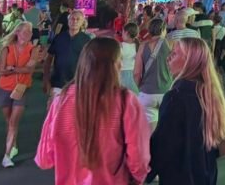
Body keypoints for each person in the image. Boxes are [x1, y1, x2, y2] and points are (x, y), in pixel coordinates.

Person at [35, 37, 151, 184]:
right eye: (119, 59)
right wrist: (138, 177)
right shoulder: (126, 101)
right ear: (113, 65)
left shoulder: (61, 100)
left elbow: (44, 158)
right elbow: (138, 155)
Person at [149, 37, 225, 184]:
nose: (169, 57)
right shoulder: (209, 96)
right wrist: (205, 156)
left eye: (176, 53)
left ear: (189, 62)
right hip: (205, 176)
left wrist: (139, 174)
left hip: (179, 178)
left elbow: (162, 146)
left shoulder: (175, 98)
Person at [0, 22, 44, 167]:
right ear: (17, 32)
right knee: (8, 120)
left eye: (29, 32)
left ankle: (7, 155)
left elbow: (30, 69)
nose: (27, 35)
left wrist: (11, 68)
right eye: (24, 32)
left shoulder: (33, 49)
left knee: (13, 122)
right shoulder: (7, 49)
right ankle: (14, 143)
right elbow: (1, 70)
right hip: (4, 88)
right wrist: (16, 69)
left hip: (21, 88)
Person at [133, 17, 172, 130]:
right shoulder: (171, 43)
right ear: (163, 29)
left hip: (147, 93)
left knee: (150, 131)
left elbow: (136, 73)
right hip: (166, 91)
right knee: (167, 128)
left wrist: (139, 87)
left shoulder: (142, 46)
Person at [43, 10, 89, 100]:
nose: (74, 21)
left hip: (77, 83)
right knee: (53, 110)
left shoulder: (86, 40)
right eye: (72, 19)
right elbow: (48, 59)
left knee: (72, 112)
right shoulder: (59, 37)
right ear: (68, 21)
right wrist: (46, 79)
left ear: (82, 22)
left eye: (78, 19)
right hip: (58, 82)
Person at [119, 23, 139, 93]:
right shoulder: (137, 45)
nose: (122, 34)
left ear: (126, 33)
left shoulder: (121, 46)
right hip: (134, 73)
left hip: (123, 74)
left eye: (122, 32)